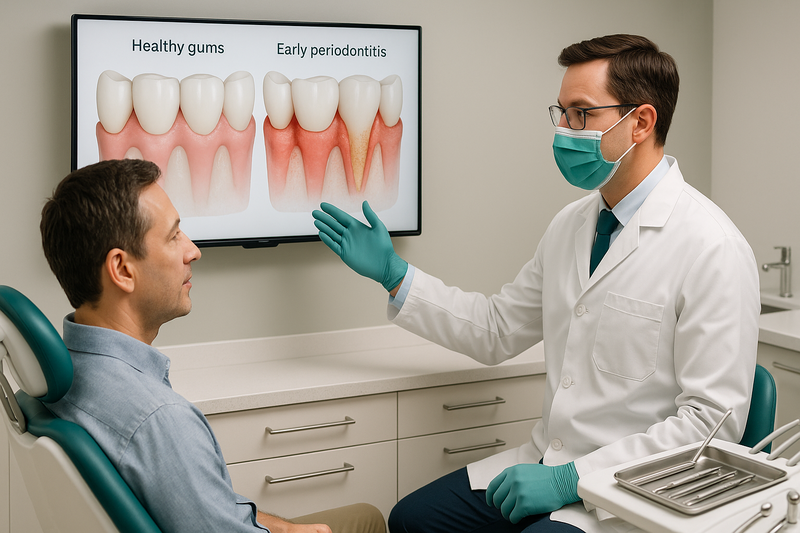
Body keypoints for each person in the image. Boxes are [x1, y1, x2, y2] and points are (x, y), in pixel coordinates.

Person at [312, 34, 760, 533]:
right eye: (562, 112)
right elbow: (498, 329)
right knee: (412, 520)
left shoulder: (711, 247)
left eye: (582, 114)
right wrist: (396, 276)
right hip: (545, 461)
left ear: (641, 121)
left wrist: (575, 481)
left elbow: (710, 424)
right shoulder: (572, 224)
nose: (565, 130)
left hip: (630, 494)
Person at [39, 158, 385, 533]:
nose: (193, 251)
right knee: (368, 519)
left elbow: (205, 511)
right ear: (122, 270)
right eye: (174, 236)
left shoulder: (66, 377)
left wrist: (283, 528)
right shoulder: (160, 420)